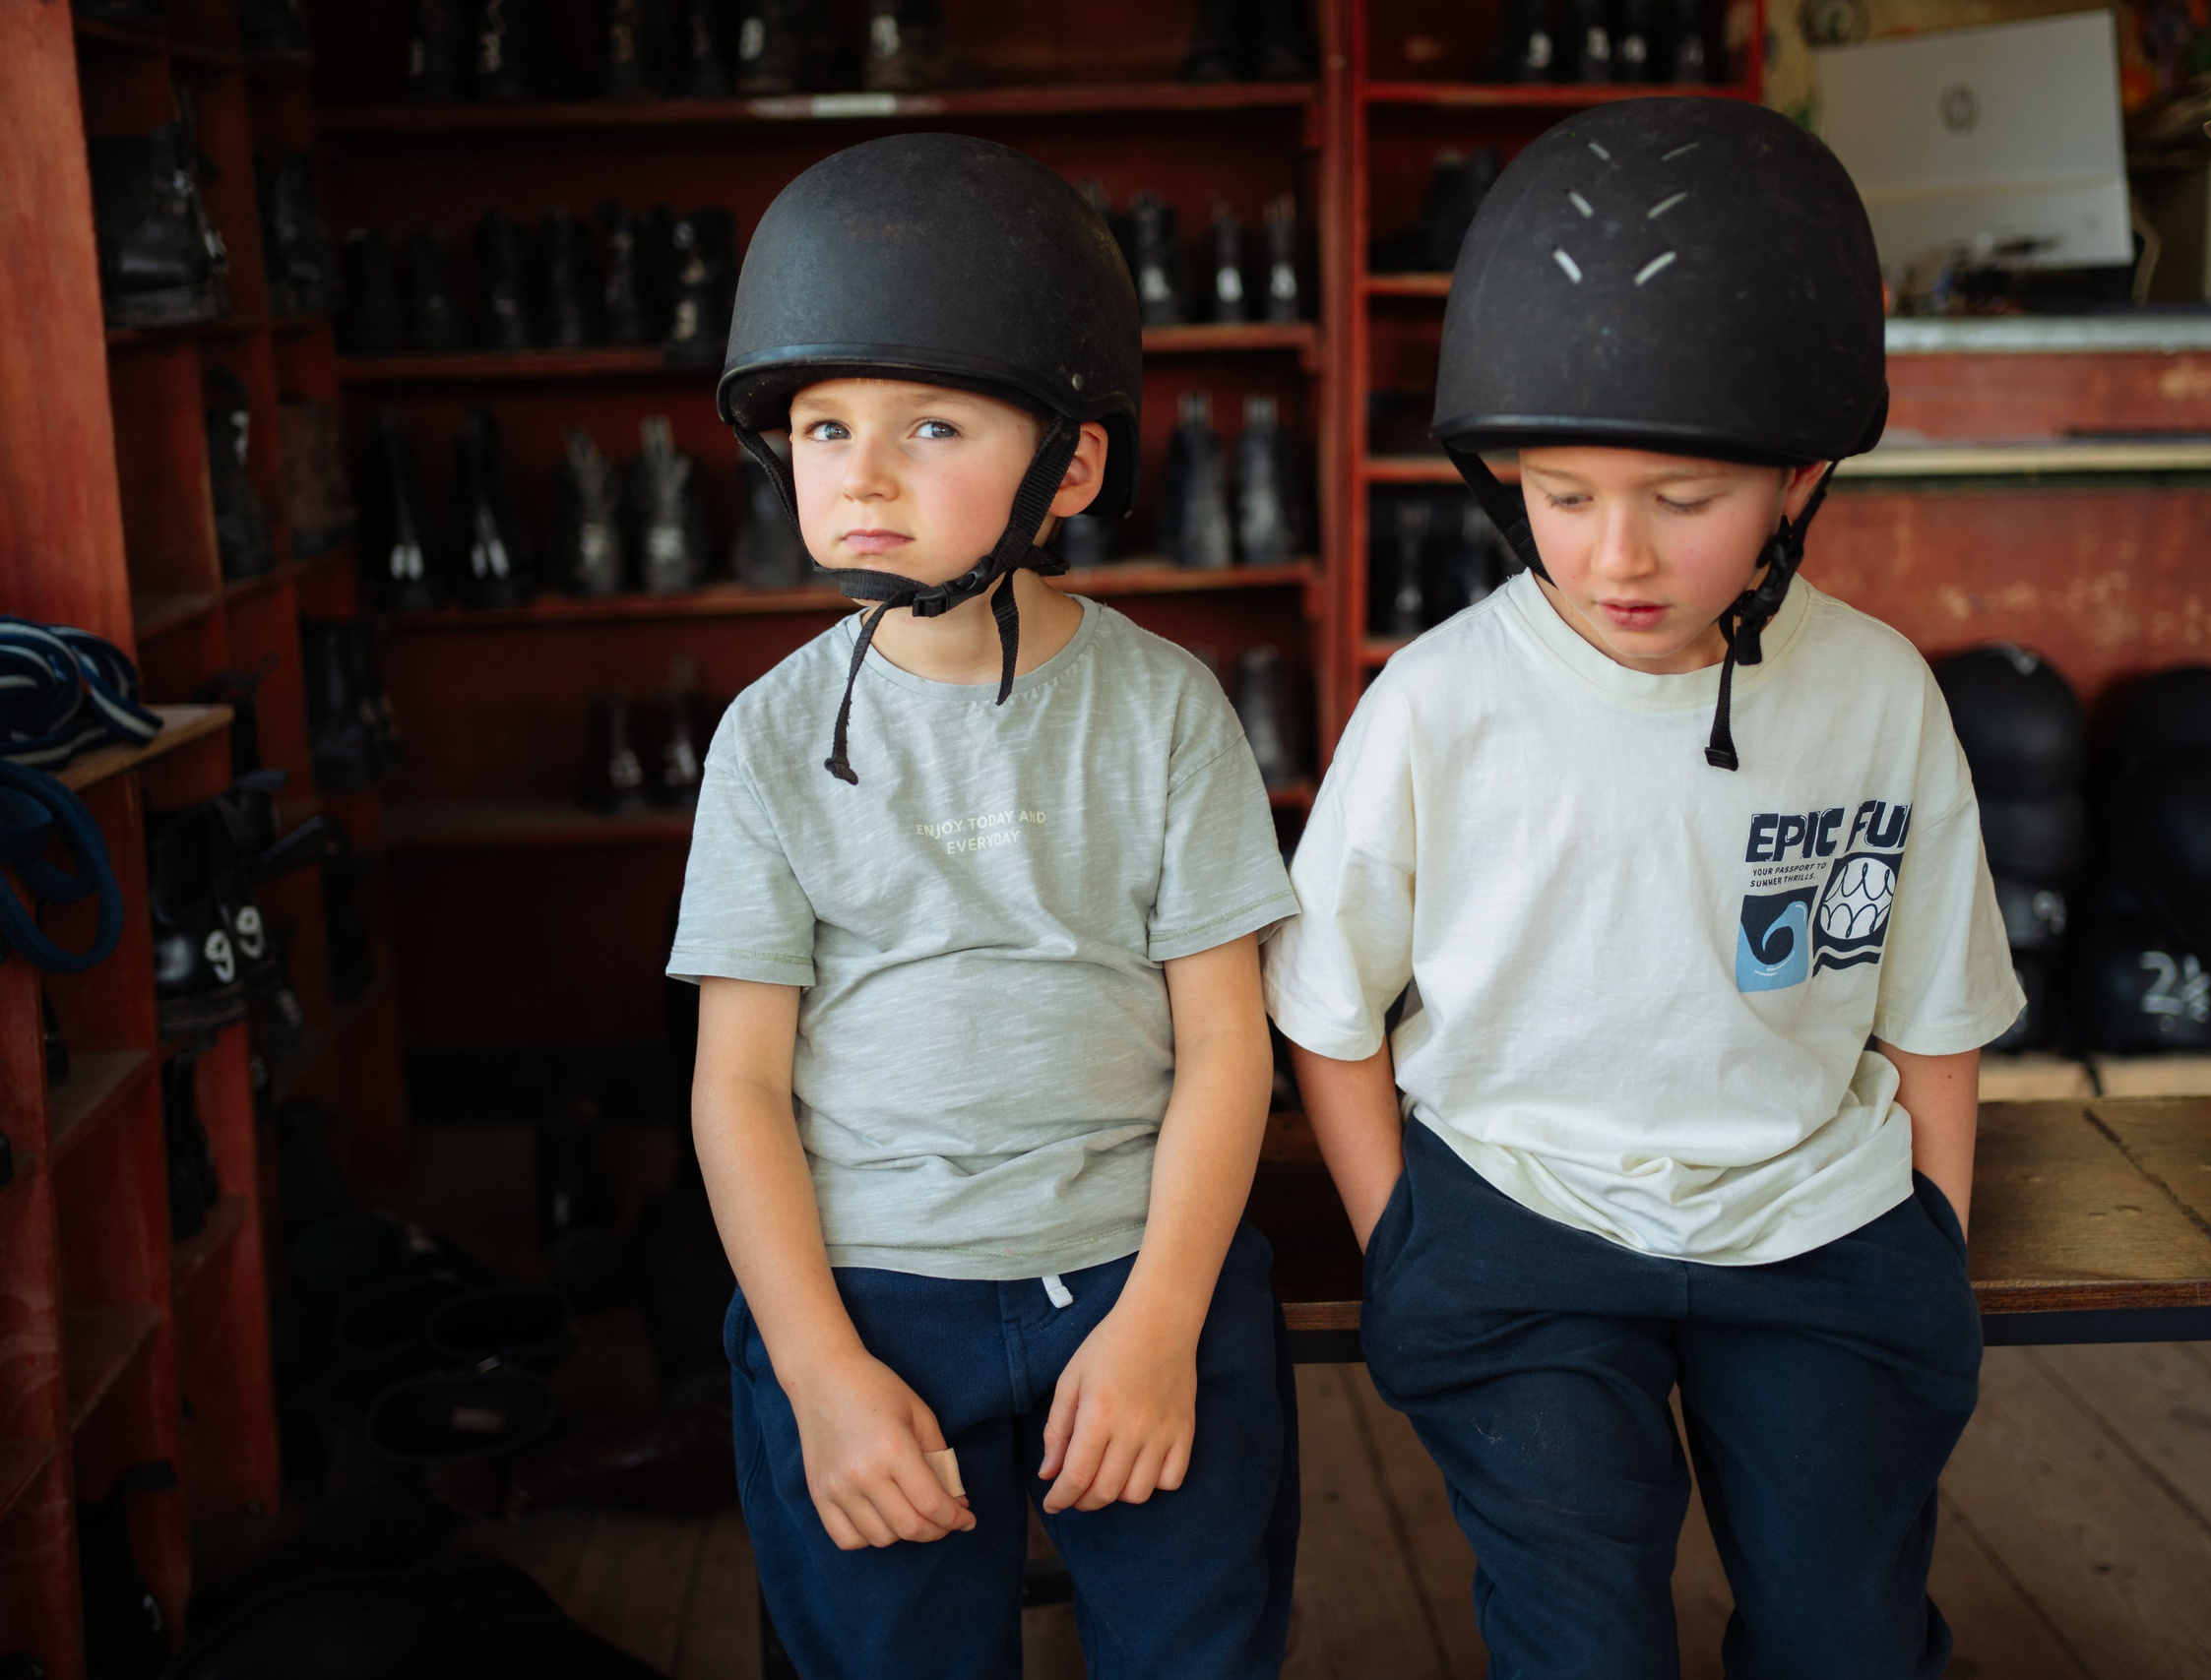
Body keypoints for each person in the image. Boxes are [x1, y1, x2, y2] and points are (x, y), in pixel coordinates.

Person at [1264, 98, 2021, 1680]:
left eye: (1682, 501)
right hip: (1517, 1225)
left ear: (1800, 477)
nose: (1618, 553)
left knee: (1845, 1639)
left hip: (1818, 1223)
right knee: (1581, 1636)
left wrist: (1930, 1234)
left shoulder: (1877, 693)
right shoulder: (1439, 699)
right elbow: (1326, 1005)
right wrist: (1400, 1235)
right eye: (1561, 493)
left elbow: (1935, 1001)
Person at [670, 134, 1299, 1679]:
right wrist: (819, 1370)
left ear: (1070, 467)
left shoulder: (1165, 711)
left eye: (929, 425)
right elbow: (738, 1083)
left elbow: (1228, 1049)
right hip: (868, 1292)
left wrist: (1160, 1325)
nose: (861, 474)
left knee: (1199, 1652)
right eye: (824, 428)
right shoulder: (765, 736)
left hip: (1141, 1267)